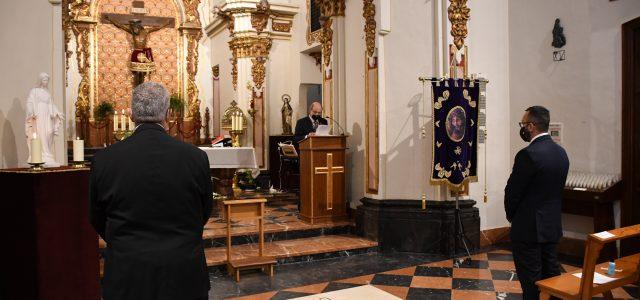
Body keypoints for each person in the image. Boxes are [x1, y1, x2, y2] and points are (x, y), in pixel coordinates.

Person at [90, 82, 212, 300]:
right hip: (183, 272)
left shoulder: (105, 159)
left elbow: (96, 217)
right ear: (168, 113)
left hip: (128, 272)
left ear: (131, 114)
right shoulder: (195, 157)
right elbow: (204, 212)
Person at [504, 106, 569, 300]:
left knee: (531, 283)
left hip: (528, 230)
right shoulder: (561, 153)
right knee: (553, 279)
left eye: (523, 124)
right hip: (551, 226)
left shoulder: (528, 154)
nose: (522, 128)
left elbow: (513, 192)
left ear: (531, 126)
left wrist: (513, 217)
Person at [25, 72, 64, 167]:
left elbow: (51, 104)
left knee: (49, 132)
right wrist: (31, 111)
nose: (46, 82)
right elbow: (30, 101)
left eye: (47, 80)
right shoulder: (34, 91)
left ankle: (47, 153)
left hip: (47, 115)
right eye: (44, 80)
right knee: (41, 133)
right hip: (39, 114)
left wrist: (57, 112)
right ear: (40, 80)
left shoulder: (47, 93)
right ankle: (42, 154)